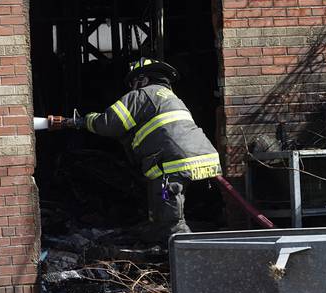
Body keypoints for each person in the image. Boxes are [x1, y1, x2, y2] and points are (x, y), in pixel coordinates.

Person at [56, 57, 222, 241]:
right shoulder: (171, 98)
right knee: (162, 213)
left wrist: (84, 120)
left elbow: (109, 124)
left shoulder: (142, 95)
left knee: (171, 221)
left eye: (133, 83)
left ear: (143, 79)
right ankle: (164, 245)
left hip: (173, 162)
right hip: (201, 158)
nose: (132, 88)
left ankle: (186, 253)